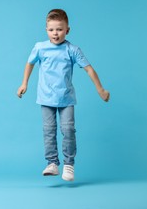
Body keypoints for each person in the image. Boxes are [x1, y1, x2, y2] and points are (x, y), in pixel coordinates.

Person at [17, 9, 110, 181]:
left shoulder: (72, 50)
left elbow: (89, 69)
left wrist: (100, 89)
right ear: (46, 30)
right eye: (51, 29)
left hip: (66, 99)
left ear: (67, 30)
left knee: (68, 130)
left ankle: (69, 164)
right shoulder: (40, 47)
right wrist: (24, 83)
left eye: (59, 29)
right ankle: (52, 163)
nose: (55, 33)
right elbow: (29, 63)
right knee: (49, 131)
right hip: (46, 98)